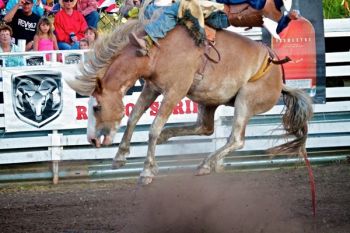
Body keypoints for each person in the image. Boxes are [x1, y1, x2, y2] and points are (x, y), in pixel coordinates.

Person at [130, 0, 294, 56]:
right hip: (216, 9)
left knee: (179, 8)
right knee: (171, 8)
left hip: (220, 14)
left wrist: (288, 19)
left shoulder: (270, 6)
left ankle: (150, 39)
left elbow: (278, 28)